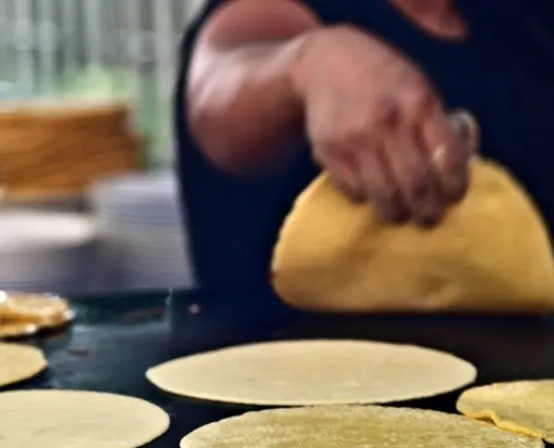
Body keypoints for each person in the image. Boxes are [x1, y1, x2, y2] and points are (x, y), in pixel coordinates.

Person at [175, 0, 554, 301]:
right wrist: (305, 64)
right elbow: (219, 85)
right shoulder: (273, 10)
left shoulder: (524, 17)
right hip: (287, 377)